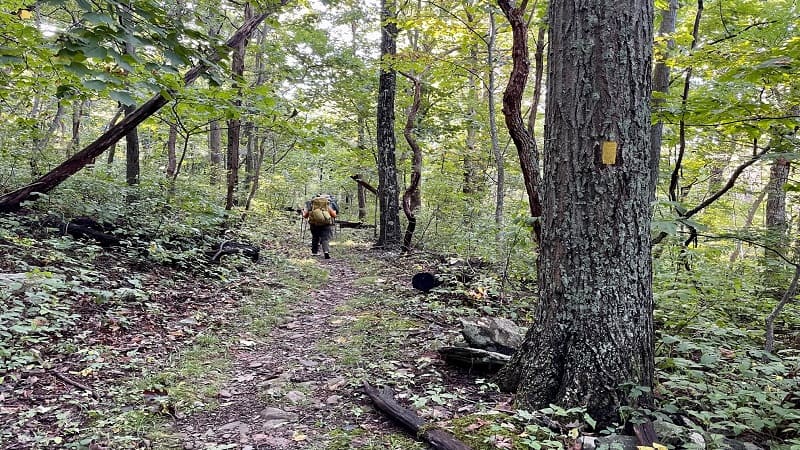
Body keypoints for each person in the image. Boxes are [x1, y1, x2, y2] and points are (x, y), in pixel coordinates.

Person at [302, 194, 337, 259]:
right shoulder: (327, 207)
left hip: (314, 224)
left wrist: (303, 212)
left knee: (315, 237)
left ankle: (314, 252)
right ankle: (326, 251)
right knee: (325, 238)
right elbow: (334, 215)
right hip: (326, 225)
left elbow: (305, 216)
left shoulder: (311, 207)